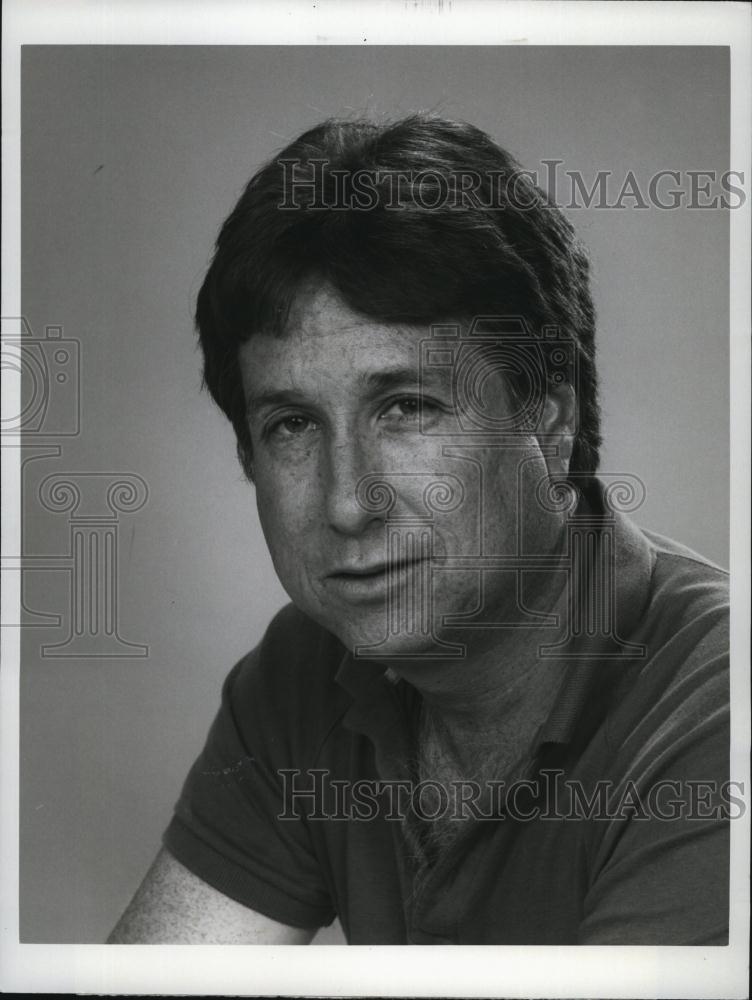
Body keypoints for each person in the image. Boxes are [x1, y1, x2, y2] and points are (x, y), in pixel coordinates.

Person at [108, 115, 730, 945]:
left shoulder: (721, 713)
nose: (345, 504)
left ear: (550, 421)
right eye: (293, 424)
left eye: (407, 408)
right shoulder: (305, 676)